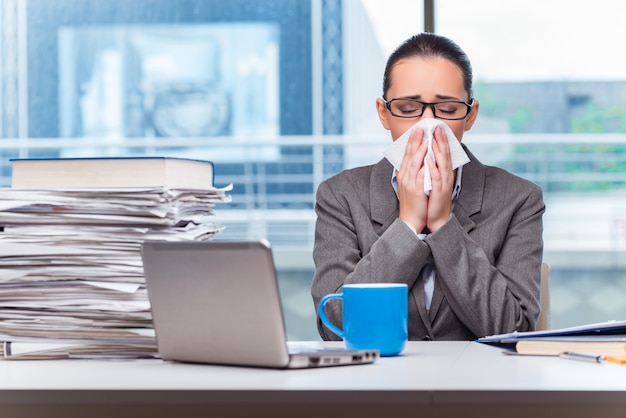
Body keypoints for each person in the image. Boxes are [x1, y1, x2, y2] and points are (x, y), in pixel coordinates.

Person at [311, 32, 545, 341]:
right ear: (384, 113)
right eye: (408, 110)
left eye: (447, 110)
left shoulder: (518, 199)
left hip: (479, 384)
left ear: (470, 115)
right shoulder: (340, 196)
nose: (427, 125)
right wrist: (407, 225)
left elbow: (514, 328)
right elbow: (334, 327)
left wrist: (443, 224)